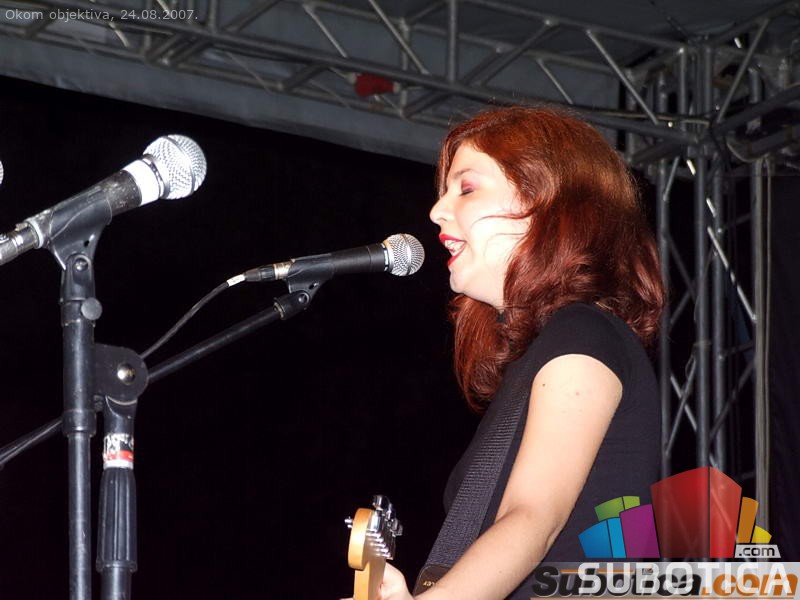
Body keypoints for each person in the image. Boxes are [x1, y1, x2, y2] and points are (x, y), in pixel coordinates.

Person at [377, 105, 664, 600]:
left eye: (466, 188)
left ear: (547, 203)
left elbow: (533, 518)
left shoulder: (584, 332)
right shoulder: (546, 353)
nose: (437, 211)